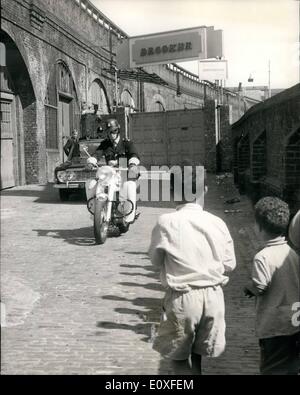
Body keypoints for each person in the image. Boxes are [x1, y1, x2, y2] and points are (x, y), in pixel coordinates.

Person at [148, 169, 236, 375]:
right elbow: (230, 264)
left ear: (171, 192)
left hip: (183, 298)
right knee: (197, 355)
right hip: (214, 298)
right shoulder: (218, 222)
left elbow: (155, 260)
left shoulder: (166, 221)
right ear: (205, 189)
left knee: (178, 360)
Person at [244, 197, 300, 375]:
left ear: (259, 228)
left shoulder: (263, 256)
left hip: (274, 323)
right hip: (295, 320)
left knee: (272, 368)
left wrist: (249, 288)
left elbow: (260, 286)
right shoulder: (292, 253)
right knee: (291, 364)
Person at [86, 118, 140, 224]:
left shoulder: (126, 143)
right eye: (109, 132)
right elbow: (97, 154)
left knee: (130, 186)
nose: (112, 134)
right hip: (110, 174)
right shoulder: (105, 144)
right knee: (91, 184)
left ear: (118, 130)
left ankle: (129, 214)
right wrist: (91, 162)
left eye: (114, 131)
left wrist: (133, 164)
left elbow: (134, 154)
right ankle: (94, 212)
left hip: (124, 173)